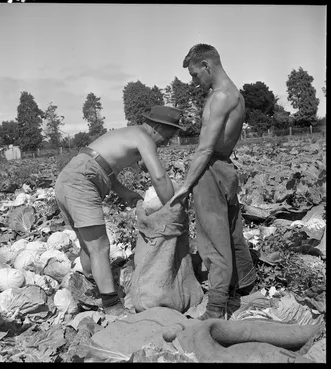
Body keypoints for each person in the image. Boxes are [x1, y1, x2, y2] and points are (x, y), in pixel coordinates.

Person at [55, 105, 184, 316]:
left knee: (89, 245)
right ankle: (112, 305)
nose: (166, 142)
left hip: (71, 177)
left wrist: (125, 192)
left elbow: (102, 165)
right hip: (81, 180)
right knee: (100, 246)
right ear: (157, 127)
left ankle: (88, 285)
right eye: (167, 136)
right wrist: (172, 206)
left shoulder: (128, 134)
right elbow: (159, 177)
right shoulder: (144, 138)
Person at [170, 44, 256, 320]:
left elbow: (205, 149)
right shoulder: (236, 95)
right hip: (226, 168)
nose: (195, 81)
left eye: (195, 74)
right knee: (232, 233)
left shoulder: (219, 97)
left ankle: (217, 307)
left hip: (211, 169)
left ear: (207, 65)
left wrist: (184, 187)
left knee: (212, 240)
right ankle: (247, 286)